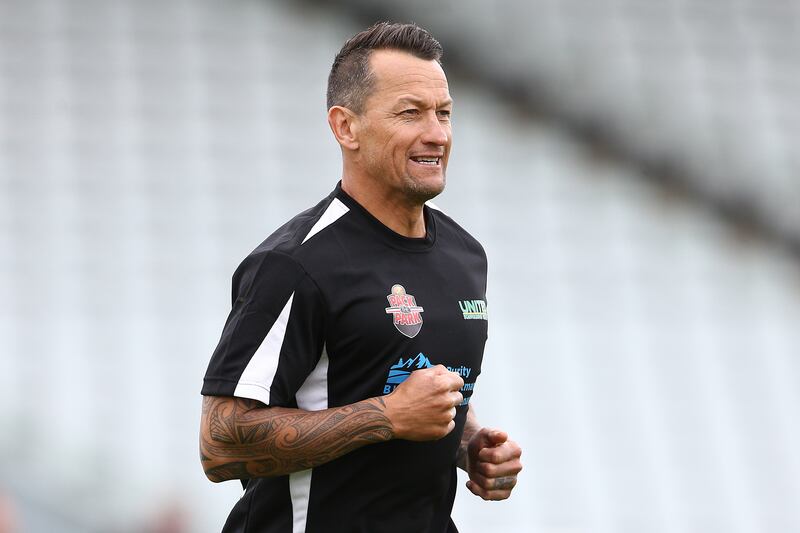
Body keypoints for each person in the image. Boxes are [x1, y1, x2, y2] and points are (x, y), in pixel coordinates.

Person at [199, 21, 522, 533]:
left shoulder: (466, 255)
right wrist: (387, 417)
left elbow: (405, 377)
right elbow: (219, 443)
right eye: (410, 113)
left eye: (444, 113)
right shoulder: (296, 264)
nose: (436, 133)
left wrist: (470, 445)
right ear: (345, 126)